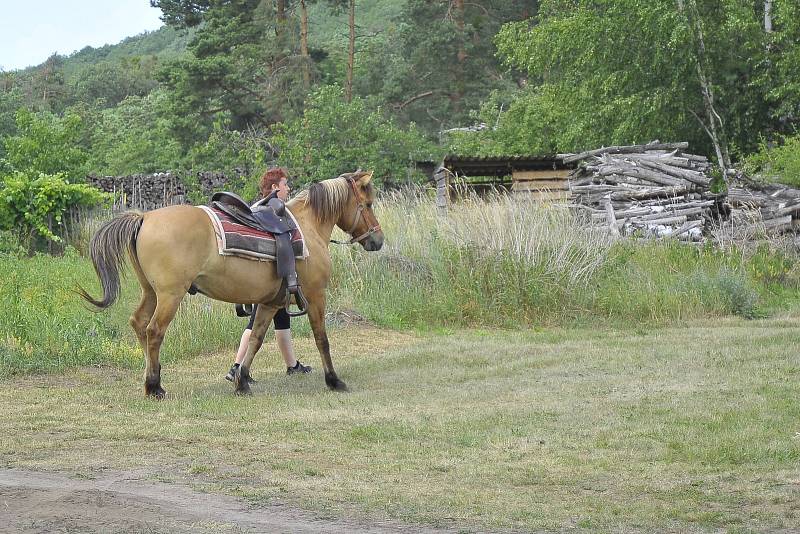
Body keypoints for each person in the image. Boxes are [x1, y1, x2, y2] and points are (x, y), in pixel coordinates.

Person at [225, 167, 312, 383]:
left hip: (276, 279)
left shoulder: (263, 210)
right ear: (275, 188)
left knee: (282, 319)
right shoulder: (269, 211)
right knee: (255, 322)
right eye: (285, 184)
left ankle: (292, 365)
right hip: (267, 280)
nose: (288, 188)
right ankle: (236, 367)